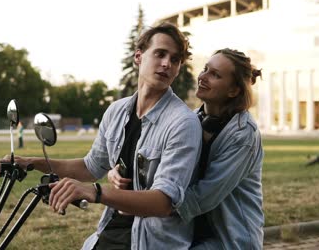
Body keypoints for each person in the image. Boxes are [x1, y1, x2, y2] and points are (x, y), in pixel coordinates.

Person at [0, 22, 202, 250]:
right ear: (138, 57)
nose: (167, 64)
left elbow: (163, 201)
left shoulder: (183, 122)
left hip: (151, 241)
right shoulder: (116, 111)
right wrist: (31, 163)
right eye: (160, 54)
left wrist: (96, 192)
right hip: (110, 229)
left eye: (175, 60)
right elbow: (90, 166)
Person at [109, 48, 265, 249]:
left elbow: (204, 196)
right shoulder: (191, 120)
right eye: (205, 69)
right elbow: (155, 162)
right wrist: (117, 172)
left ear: (233, 90)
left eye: (215, 75)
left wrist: (148, 205)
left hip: (229, 239)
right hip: (190, 233)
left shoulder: (243, 135)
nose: (203, 77)